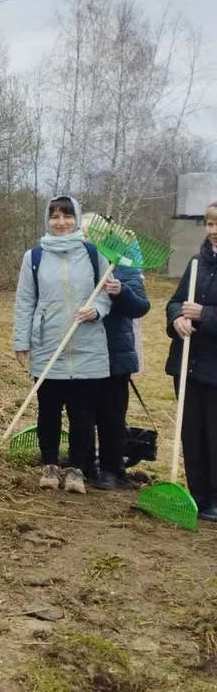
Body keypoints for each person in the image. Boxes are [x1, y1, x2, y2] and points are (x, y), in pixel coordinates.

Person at [13, 195, 111, 494]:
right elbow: (25, 300)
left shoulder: (95, 254)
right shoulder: (35, 256)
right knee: (49, 409)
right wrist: (22, 339)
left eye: (67, 216)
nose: (61, 222)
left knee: (83, 413)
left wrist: (98, 309)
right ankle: (50, 466)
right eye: (55, 216)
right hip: (48, 345)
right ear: (48, 220)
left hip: (88, 344)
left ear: (76, 219)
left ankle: (76, 469)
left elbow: (105, 293)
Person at [81, 213, 150, 490]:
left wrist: (120, 292)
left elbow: (140, 306)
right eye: (83, 235)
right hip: (83, 350)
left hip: (114, 352)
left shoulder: (124, 266)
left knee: (111, 414)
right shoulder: (75, 264)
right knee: (83, 412)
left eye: (92, 235)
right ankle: (84, 464)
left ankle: (111, 468)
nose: (87, 240)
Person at [165, 201, 217, 521]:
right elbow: (175, 302)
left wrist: (206, 315)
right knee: (192, 433)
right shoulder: (198, 262)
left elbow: (200, 310)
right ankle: (197, 496)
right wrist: (177, 321)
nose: (213, 231)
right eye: (210, 224)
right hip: (188, 364)